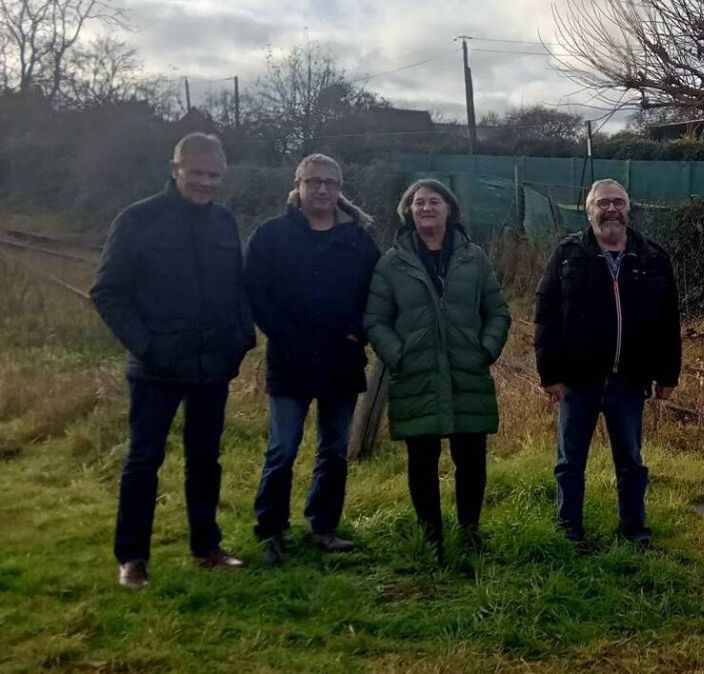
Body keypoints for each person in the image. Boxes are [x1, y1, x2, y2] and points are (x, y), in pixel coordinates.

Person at [91, 132, 255, 590]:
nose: (205, 182)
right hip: (156, 369)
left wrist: (241, 339)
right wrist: (148, 346)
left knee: (206, 459)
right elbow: (108, 292)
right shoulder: (138, 220)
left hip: (212, 367)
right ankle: (132, 558)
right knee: (144, 460)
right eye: (197, 173)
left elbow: (238, 288)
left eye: (214, 175)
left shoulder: (224, 221)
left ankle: (206, 547)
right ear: (175, 169)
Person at [243, 154, 381, 566]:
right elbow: (254, 291)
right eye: (314, 182)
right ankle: (271, 530)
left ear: (340, 189)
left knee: (334, 450)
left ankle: (323, 526)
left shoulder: (358, 239)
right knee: (282, 448)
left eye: (330, 183)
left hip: (341, 360)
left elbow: (379, 292)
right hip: (290, 359)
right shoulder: (271, 235)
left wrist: (360, 330)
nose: (322, 190)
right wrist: (283, 332)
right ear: (298, 186)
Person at [363, 178, 511, 560]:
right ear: (408, 212)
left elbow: (496, 311)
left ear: (450, 210)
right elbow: (376, 319)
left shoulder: (473, 257)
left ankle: (470, 531)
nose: (426, 208)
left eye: (435, 202)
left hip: (467, 372)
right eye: (418, 203)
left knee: (472, 458)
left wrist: (485, 350)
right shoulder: (392, 263)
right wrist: (399, 355)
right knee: (422, 460)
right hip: (417, 374)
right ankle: (431, 537)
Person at [534, 178, 681, 547]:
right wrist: (549, 373)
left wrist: (667, 374)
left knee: (631, 461)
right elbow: (545, 315)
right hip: (578, 379)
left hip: (629, 381)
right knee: (570, 461)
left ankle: (634, 530)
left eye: (618, 202)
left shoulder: (652, 257)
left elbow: (668, 321)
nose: (611, 209)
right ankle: (569, 531)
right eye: (603, 203)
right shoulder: (568, 255)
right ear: (589, 211)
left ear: (628, 209)